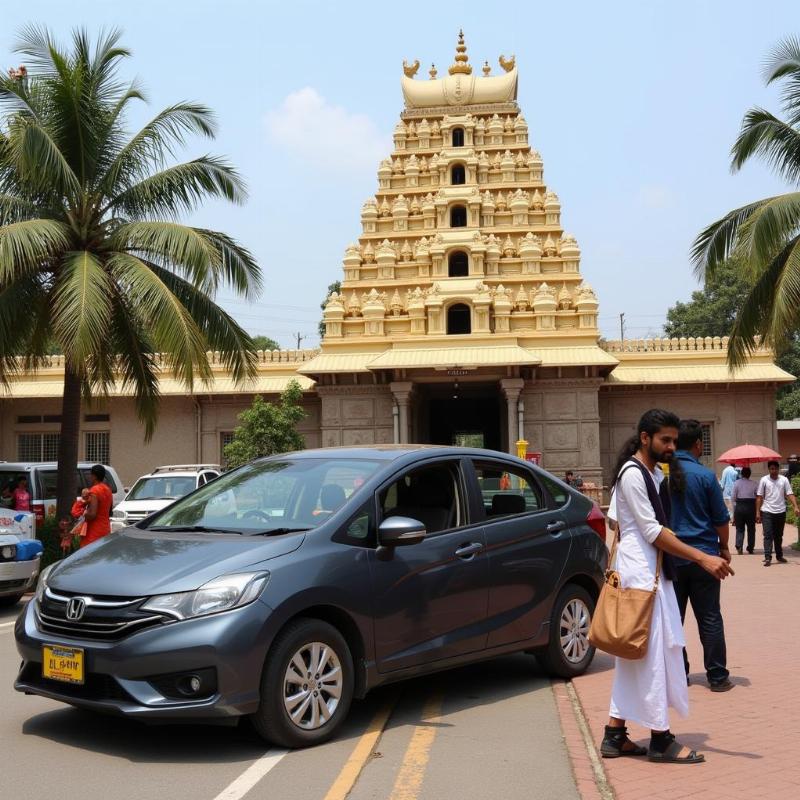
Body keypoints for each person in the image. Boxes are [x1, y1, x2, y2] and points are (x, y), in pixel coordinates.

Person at [601, 409, 733, 765]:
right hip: (641, 577)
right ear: (646, 438)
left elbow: (619, 520)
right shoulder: (633, 474)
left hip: (647, 572)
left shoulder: (650, 472)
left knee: (636, 656)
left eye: (675, 440)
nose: (672, 446)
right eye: (666, 440)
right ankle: (660, 740)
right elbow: (651, 531)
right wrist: (703, 558)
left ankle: (614, 734)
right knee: (654, 656)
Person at [669, 419, 733, 692]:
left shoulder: (663, 475)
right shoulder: (706, 476)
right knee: (710, 617)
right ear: (698, 444)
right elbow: (720, 519)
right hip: (706, 557)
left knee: (674, 620)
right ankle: (717, 677)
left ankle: (679, 675)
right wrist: (724, 547)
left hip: (673, 556)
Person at [756, 460, 799, 566]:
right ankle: (767, 557)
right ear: (769, 469)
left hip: (781, 511)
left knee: (779, 536)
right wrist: (757, 512)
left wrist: (795, 507)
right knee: (768, 535)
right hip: (767, 511)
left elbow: (789, 493)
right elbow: (759, 496)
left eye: (775, 469)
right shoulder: (764, 480)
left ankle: (779, 555)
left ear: (778, 469)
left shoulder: (784, 480)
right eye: (771, 469)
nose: (773, 471)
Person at [82, 464, 113, 548]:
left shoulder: (94, 490)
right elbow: (109, 510)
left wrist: (83, 514)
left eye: (91, 475)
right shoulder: (108, 489)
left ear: (94, 476)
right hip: (105, 528)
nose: (90, 477)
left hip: (94, 530)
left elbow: (92, 514)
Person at [731, 467, 757, 555]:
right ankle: (750, 548)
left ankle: (739, 546)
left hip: (740, 506)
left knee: (740, 528)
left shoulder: (736, 483)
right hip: (751, 507)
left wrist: (735, 508)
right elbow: (757, 496)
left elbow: (733, 497)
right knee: (751, 529)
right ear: (749, 474)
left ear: (741, 474)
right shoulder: (754, 483)